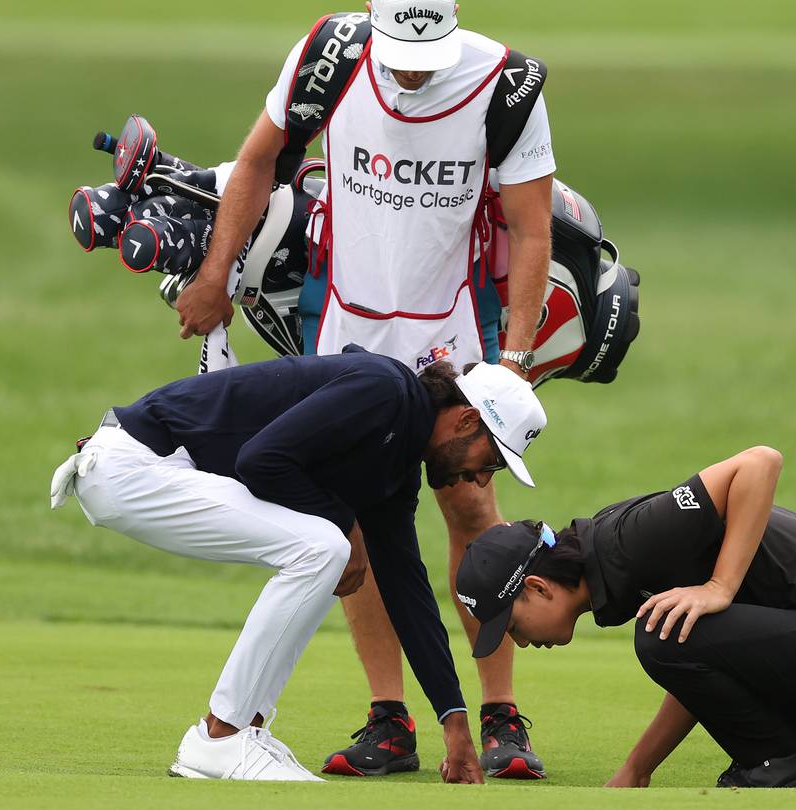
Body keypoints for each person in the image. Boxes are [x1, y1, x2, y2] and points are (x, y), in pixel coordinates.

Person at [174, 0, 558, 778]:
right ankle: (390, 720)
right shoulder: (332, 51)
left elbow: (531, 227)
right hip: (346, 333)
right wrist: (216, 275)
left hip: (453, 332)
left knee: (471, 506)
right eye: (402, 54)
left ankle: (500, 718)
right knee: (349, 520)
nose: (415, 69)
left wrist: (513, 360)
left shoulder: (505, 81)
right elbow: (256, 161)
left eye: (430, 55)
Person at [48, 348, 547, 782]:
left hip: (153, 470)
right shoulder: (385, 390)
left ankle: (243, 730)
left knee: (323, 546)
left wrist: (453, 721)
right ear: (465, 421)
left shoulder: (396, 462)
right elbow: (261, 460)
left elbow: (408, 591)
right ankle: (220, 737)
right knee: (323, 547)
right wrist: (348, 528)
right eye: (492, 460)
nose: (481, 479)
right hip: (134, 465)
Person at [454, 446, 796, 788]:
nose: (518, 640)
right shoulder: (611, 560)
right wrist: (639, 769)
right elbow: (702, 664)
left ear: (537, 587)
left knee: (658, 636)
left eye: (512, 624)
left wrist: (721, 587)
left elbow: (760, 462)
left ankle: (782, 756)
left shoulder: (630, 540)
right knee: (668, 632)